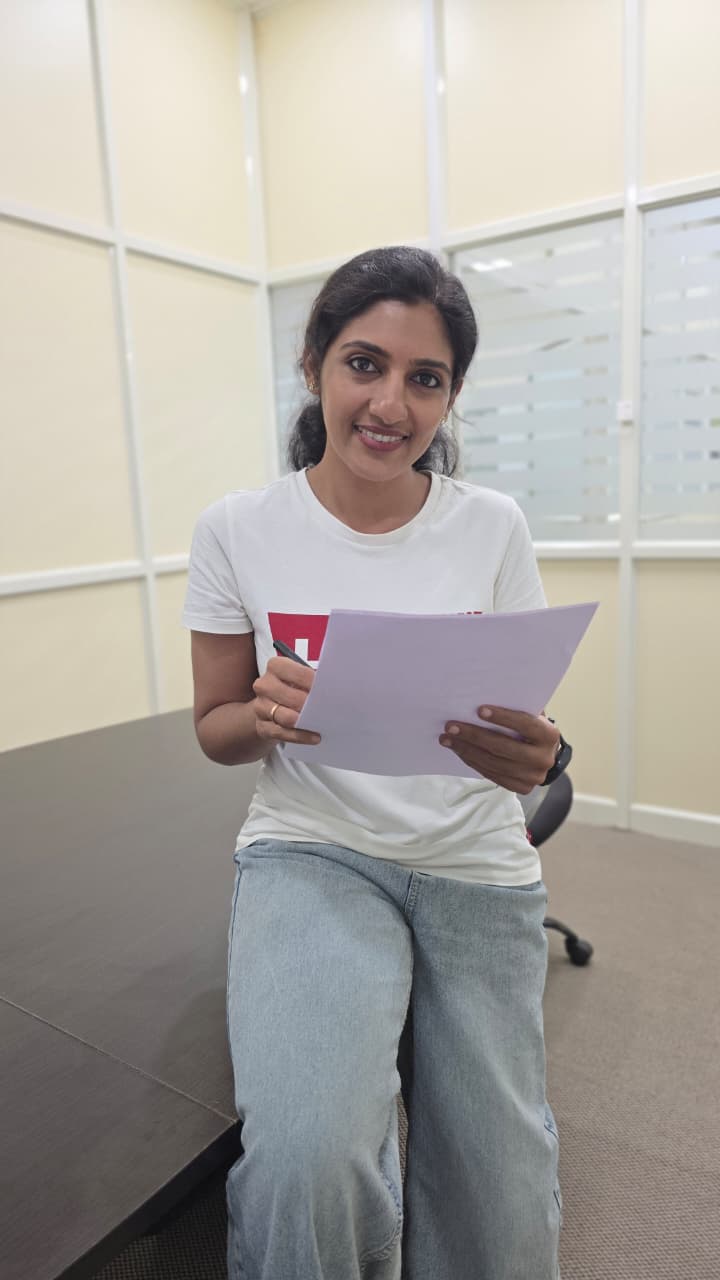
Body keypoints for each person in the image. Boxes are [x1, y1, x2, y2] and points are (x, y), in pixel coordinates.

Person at [183, 246, 565, 1280]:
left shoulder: (491, 526)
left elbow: (525, 729)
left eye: (425, 377)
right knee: (310, 1158)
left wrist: (535, 755)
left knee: (503, 1194)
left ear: (450, 396)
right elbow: (214, 725)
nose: (390, 401)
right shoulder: (237, 530)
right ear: (313, 365)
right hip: (313, 850)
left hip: (475, 864)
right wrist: (259, 712)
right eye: (364, 363)